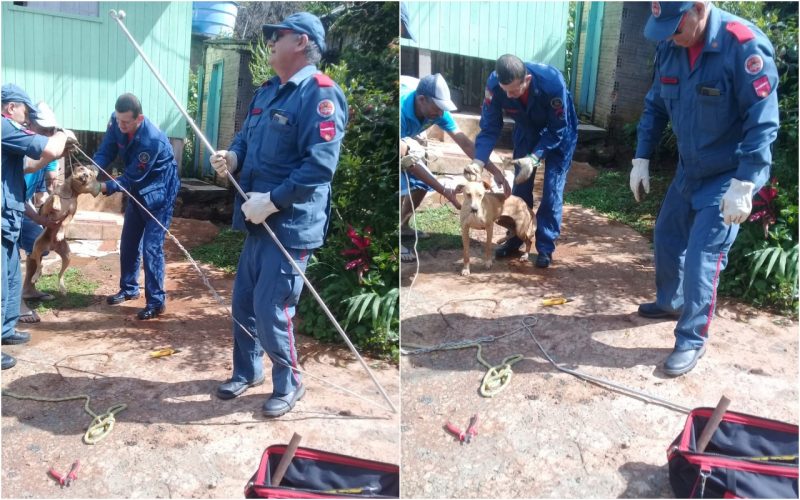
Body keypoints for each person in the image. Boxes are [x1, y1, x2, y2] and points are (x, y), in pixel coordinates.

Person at [209, 12, 347, 417]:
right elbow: (245, 137)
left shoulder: (320, 95)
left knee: (272, 309)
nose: (269, 41)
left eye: (277, 35)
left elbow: (320, 166)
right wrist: (233, 157)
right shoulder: (268, 92)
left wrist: (272, 200)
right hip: (256, 220)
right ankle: (247, 372)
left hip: (289, 225)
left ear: (301, 42)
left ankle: (290, 383)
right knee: (243, 303)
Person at [631, 2, 779, 376]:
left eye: (675, 27)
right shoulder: (671, 43)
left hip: (727, 177)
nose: (670, 37)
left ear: (699, 8)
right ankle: (670, 302)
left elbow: (762, 124)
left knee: (702, 257)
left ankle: (692, 338)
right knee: (666, 235)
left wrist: (746, 182)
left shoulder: (743, 46)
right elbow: (654, 107)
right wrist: (641, 158)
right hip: (688, 170)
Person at [469, 54, 578, 269]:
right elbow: (490, 127)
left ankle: (545, 247)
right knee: (520, 188)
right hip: (527, 130)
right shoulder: (494, 85)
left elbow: (557, 130)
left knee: (552, 190)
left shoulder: (552, 82)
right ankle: (516, 237)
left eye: (514, 91)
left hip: (559, 134)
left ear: (526, 80)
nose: (508, 96)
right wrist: (478, 161)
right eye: (505, 90)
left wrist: (535, 157)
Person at [399, 73, 510, 262]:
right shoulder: (401, 112)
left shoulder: (436, 110)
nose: (441, 114)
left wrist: (495, 171)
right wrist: (444, 191)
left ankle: (403, 226)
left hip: (407, 140)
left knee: (421, 185)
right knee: (401, 186)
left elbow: (465, 143)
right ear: (421, 100)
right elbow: (409, 163)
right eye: (438, 109)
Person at [1, 84, 74, 370]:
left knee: (10, 278)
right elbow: (48, 146)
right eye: (24, 111)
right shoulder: (4, 127)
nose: (26, 117)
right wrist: (62, 134)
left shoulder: (9, 134)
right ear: (10, 108)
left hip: (9, 216)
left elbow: (29, 167)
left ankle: (6, 331)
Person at [93, 93, 180, 321]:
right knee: (129, 241)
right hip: (137, 191)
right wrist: (92, 170)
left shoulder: (151, 140)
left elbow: (132, 177)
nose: (120, 125)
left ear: (139, 118)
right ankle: (129, 288)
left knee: (152, 247)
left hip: (160, 192)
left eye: (126, 122)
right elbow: (106, 150)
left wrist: (102, 187)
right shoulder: (116, 121)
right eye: (119, 120)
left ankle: (156, 301)